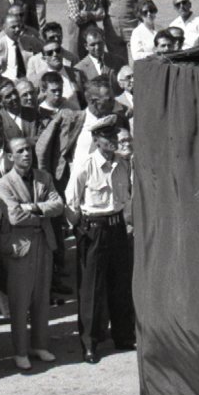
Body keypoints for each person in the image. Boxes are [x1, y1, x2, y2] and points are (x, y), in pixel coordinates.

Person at [65, 115, 134, 364]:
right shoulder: (85, 165)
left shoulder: (122, 164)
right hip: (94, 229)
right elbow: (71, 202)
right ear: (96, 140)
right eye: (107, 136)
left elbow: (126, 197)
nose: (113, 140)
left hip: (117, 228)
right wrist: (81, 230)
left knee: (120, 284)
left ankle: (123, 336)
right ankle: (90, 343)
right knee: (92, 288)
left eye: (114, 135)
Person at [0, 139, 61, 372]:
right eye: (20, 151)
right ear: (10, 156)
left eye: (28, 149)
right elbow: (13, 216)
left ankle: (40, 345)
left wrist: (32, 207)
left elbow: (58, 205)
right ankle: (20, 351)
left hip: (44, 242)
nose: (26, 154)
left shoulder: (44, 177)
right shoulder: (4, 183)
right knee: (20, 300)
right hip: (20, 247)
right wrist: (42, 212)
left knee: (42, 296)